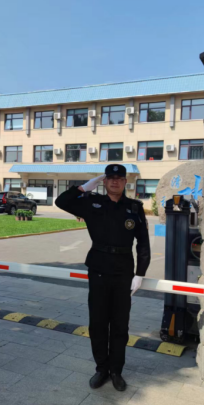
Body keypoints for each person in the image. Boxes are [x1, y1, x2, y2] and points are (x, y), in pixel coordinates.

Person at [55, 164, 151, 391]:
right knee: (98, 323)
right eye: (110, 178)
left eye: (119, 178)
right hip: (98, 269)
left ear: (125, 182)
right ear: (104, 181)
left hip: (123, 272)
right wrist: (84, 188)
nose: (115, 181)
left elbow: (143, 244)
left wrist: (140, 273)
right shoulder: (91, 203)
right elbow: (61, 202)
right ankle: (101, 369)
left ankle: (116, 371)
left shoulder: (134, 208)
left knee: (120, 324)